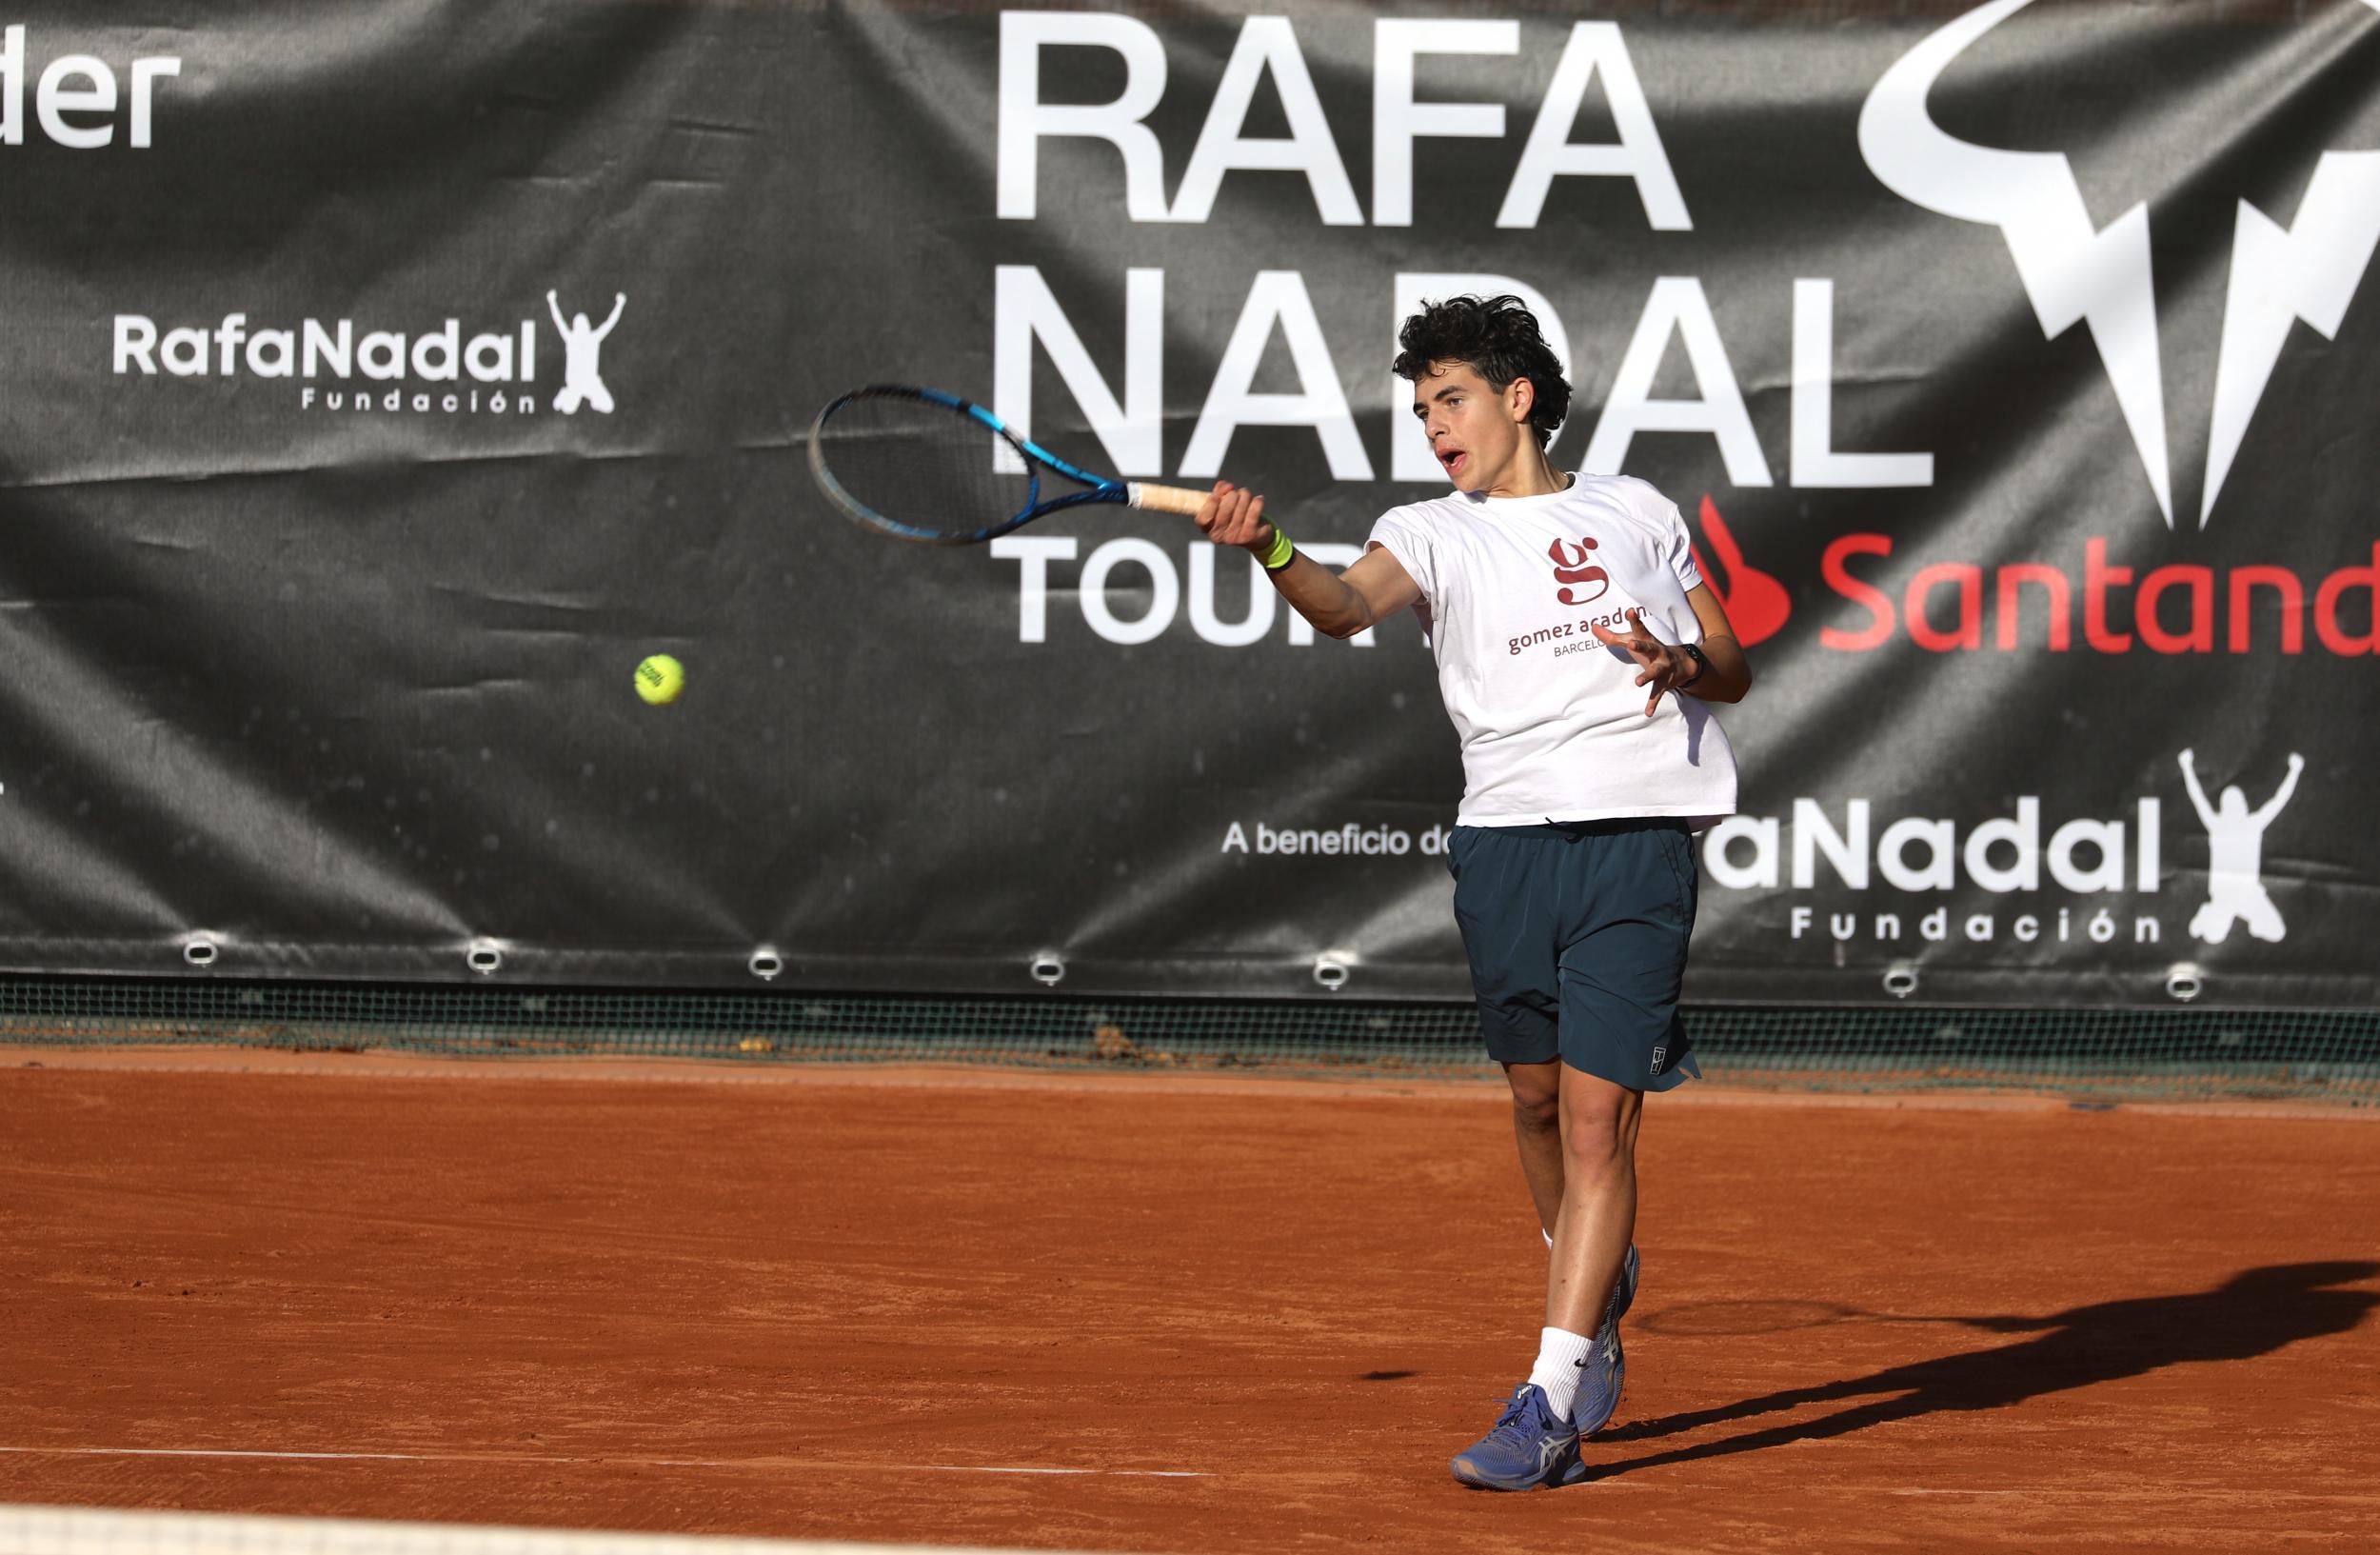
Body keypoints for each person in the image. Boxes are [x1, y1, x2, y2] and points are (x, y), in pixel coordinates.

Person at [1192, 294, 1750, 1491]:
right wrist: (1272, 549)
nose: (1434, 425)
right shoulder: (1429, 531)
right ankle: (1589, 1282)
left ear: (1517, 396)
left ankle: (1550, 1398)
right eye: (1420, 409)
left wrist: (1681, 661)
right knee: (1537, 1103)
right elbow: (1343, 607)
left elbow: (1732, 663)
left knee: (1598, 1122)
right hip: (1503, 842)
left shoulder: (1637, 509)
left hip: (1637, 835)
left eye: (1450, 398)